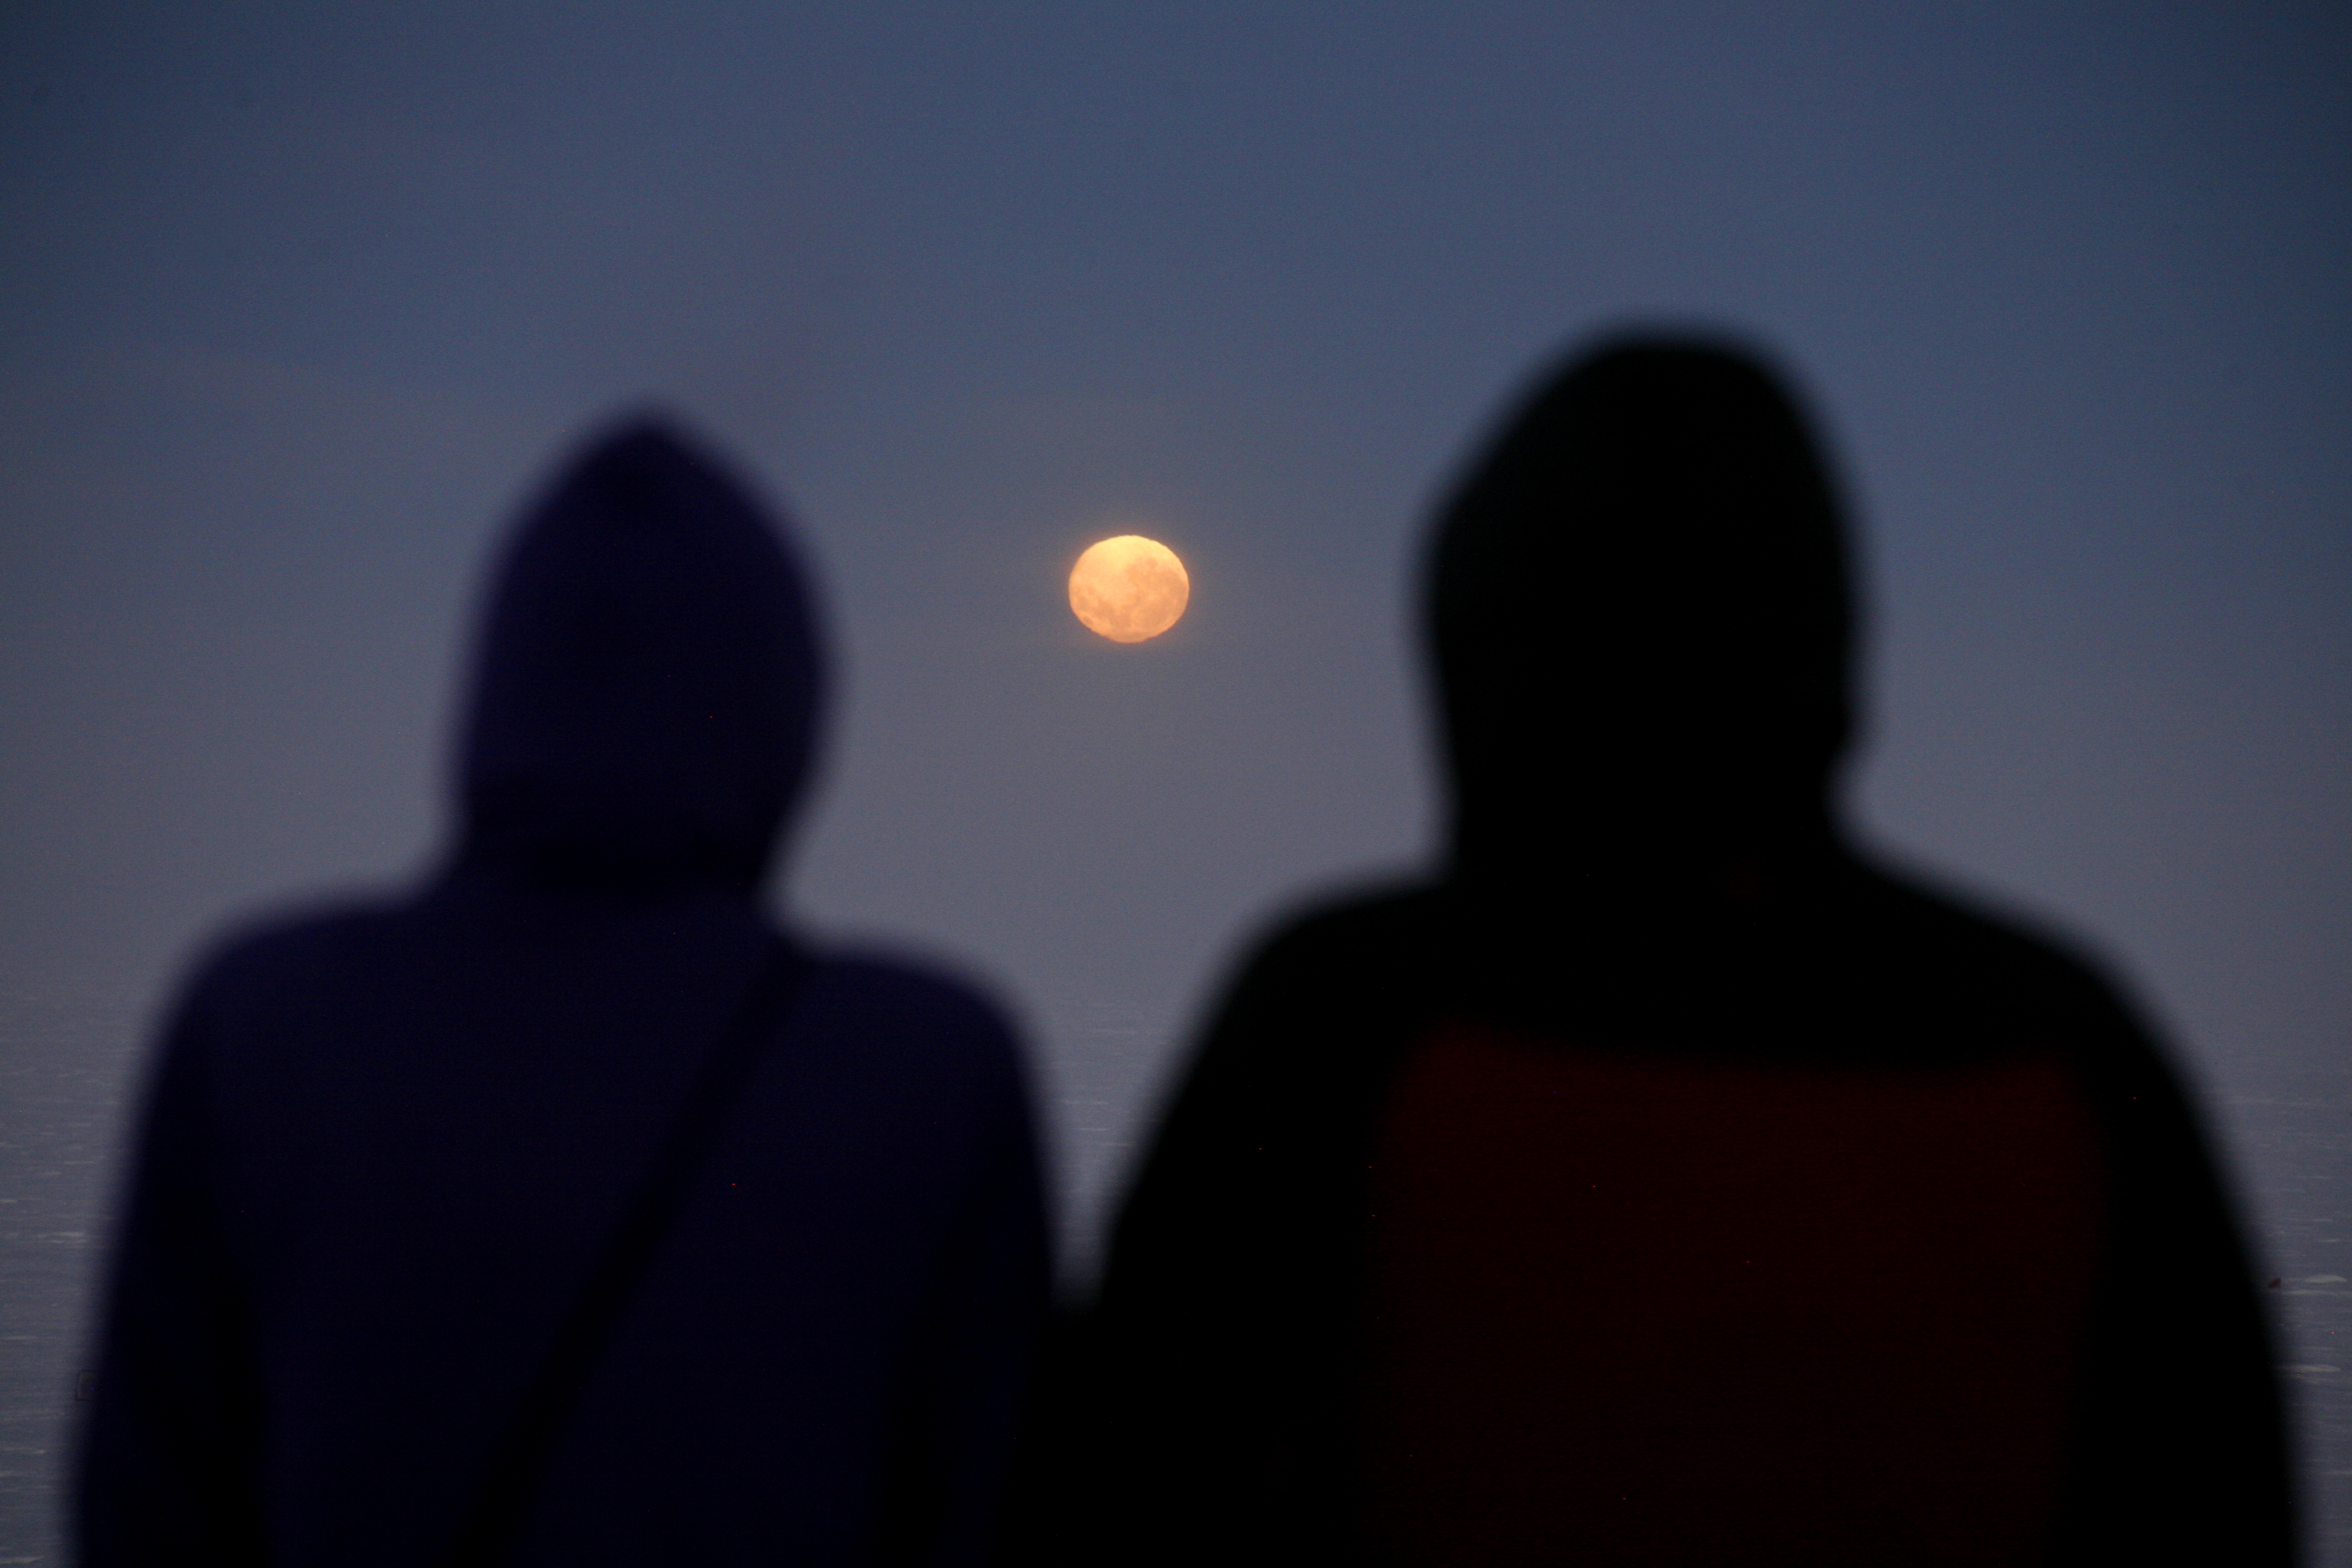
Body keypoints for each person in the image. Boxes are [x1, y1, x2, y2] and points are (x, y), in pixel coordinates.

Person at [1073, 337, 2293, 1565]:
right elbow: (2218, 1500)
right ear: (1824, 641)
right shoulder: (2060, 1044)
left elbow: (1125, 1481)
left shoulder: (1344, 1013)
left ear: (1479, 653)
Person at [76, 419, 1051, 1566]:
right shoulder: (925, 1071)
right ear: (785, 711)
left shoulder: (264, 1023)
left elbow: (148, 1512)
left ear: (495, 690)